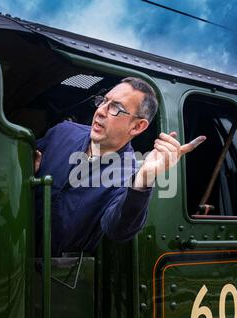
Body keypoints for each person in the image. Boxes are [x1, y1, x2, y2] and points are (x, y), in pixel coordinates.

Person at [35, 77, 205, 256]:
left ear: (138, 126)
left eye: (115, 108)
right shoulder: (63, 132)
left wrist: (144, 177)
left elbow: (118, 230)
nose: (100, 111)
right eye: (104, 101)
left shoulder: (126, 177)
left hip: (52, 275)